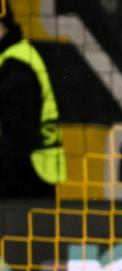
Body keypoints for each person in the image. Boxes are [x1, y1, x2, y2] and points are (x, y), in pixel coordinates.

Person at [0, 3, 66, 199]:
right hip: (28, 176)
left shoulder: (16, 65)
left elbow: (18, 136)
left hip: (24, 180)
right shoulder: (14, 58)